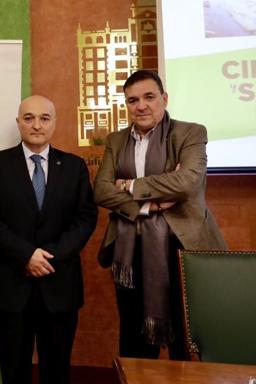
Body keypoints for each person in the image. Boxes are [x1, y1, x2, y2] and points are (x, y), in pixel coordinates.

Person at [94, 70, 227, 360]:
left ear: (164, 99)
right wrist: (148, 205)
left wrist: (130, 185)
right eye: (133, 100)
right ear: (126, 104)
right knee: (133, 337)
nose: (141, 105)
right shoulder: (115, 141)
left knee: (186, 338)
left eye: (149, 97)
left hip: (182, 246)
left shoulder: (190, 133)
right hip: (129, 250)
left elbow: (187, 182)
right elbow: (101, 191)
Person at [0, 95, 98, 384]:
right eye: (28, 118)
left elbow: (85, 218)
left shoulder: (74, 166)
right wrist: (27, 255)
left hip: (59, 284)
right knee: (13, 370)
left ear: (54, 123)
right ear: (18, 122)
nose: (36, 125)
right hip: (10, 284)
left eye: (44, 118)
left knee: (57, 370)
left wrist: (48, 256)